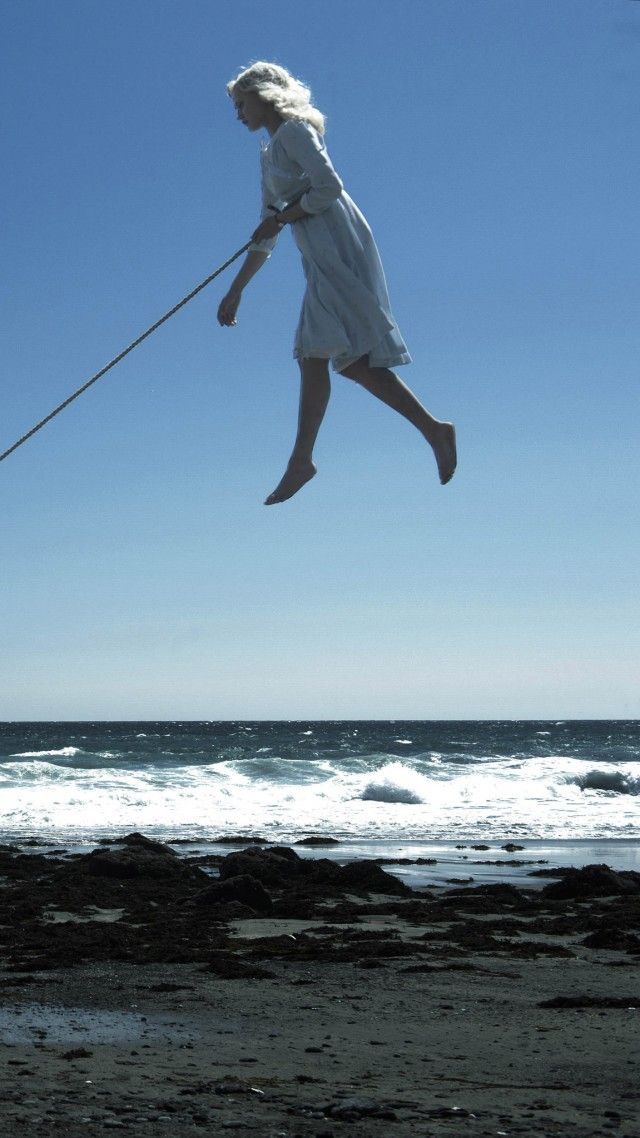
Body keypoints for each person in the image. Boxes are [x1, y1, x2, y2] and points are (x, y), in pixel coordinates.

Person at [217, 62, 457, 505]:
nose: (238, 114)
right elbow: (267, 230)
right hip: (318, 256)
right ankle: (433, 430)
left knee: (317, 352)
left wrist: (285, 216)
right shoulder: (270, 153)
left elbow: (328, 186)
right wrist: (237, 289)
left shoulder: (294, 132)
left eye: (240, 103)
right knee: (350, 363)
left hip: (340, 247)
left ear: (265, 94)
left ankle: (301, 461)